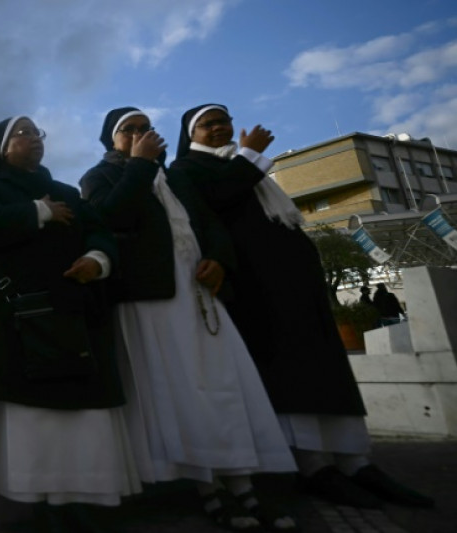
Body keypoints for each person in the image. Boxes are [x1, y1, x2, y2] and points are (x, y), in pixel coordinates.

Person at [170, 103, 434, 509]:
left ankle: (355, 460)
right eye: (208, 124)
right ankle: (312, 466)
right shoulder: (187, 169)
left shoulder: (238, 165)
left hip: (297, 282)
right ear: (191, 134)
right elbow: (216, 200)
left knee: (327, 365)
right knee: (291, 369)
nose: (220, 128)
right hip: (258, 285)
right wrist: (250, 155)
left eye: (224, 121)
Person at [81, 107, 297, 531]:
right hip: (152, 298)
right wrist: (140, 165)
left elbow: (208, 222)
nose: (139, 134)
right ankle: (208, 488)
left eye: (145, 128)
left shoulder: (175, 176)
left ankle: (244, 487)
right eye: (128, 130)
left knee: (223, 385)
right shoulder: (99, 177)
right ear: (111, 139)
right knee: (182, 392)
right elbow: (111, 217)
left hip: (198, 291)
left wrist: (218, 258)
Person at [0, 116, 139, 533]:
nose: (34, 138)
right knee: (34, 422)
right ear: (2, 147)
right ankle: (42, 505)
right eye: (22, 133)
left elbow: (99, 232)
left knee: (78, 419)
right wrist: (38, 211)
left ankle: (73, 500)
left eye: (36, 132)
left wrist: (97, 259)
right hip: (19, 321)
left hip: (73, 314)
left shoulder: (68, 192)